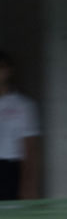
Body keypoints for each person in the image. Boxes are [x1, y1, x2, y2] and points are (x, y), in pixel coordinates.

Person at [0, 52, 40, 201]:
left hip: (9, 169)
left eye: (1, 67)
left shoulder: (22, 105)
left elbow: (30, 148)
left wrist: (29, 185)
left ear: (9, 70)